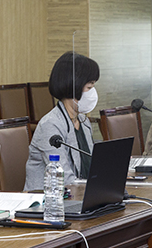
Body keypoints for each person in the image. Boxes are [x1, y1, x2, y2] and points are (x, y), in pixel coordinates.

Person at [24, 52, 99, 191]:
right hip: (48, 201)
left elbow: (90, 167)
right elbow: (64, 178)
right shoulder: (50, 125)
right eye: (89, 87)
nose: (92, 93)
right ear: (73, 86)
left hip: (79, 196)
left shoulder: (83, 121)